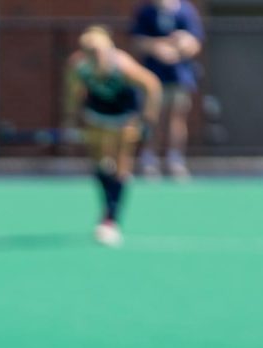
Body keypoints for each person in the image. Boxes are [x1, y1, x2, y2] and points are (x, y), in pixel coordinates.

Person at [62, 26, 161, 247]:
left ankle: (111, 218)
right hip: (96, 115)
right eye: (91, 52)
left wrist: (148, 119)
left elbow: (152, 85)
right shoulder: (78, 67)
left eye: (100, 52)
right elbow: (73, 91)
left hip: (124, 117)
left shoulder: (123, 66)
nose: (97, 57)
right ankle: (107, 209)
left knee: (121, 166)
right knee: (99, 163)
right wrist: (70, 118)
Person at [129, 0, 205, 179]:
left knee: (177, 118)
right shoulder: (146, 11)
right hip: (153, 77)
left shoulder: (186, 11)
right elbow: (137, 41)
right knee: (152, 117)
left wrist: (182, 45)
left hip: (179, 76)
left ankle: (175, 160)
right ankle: (149, 159)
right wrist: (157, 47)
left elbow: (195, 43)